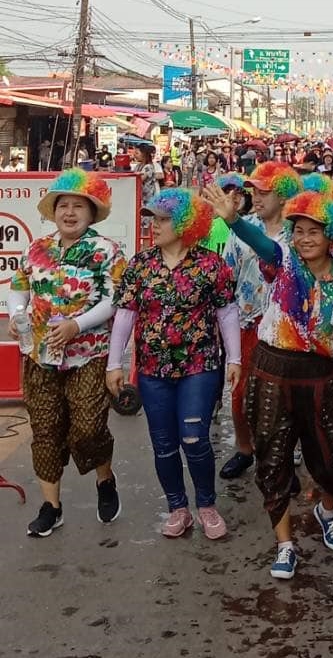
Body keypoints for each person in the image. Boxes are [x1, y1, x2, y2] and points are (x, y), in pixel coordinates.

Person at [203, 185, 333, 579]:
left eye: (314, 231)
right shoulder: (283, 260)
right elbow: (260, 242)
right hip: (273, 372)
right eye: (299, 230)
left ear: (331, 236)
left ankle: (326, 512)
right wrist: (233, 220)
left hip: (321, 377)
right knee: (273, 459)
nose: (305, 238)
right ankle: (284, 544)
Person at [107, 188, 240, 540]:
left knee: (194, 439)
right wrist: (113, 364)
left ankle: (206, 505)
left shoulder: (211, 264)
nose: (154, 226)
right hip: (153, 371)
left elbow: (227, 312)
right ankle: (177, 508)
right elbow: (125, 315)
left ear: (185, 224)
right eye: (152, 219)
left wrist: (235, 358)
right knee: (164, 444)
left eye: (163, 220)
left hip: (200, 366)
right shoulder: (140, 265)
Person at [8, 169, 125, 537]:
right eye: (63, 206)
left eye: (78, 206)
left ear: (92, 213)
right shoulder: (37, 248)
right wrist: (17, 314)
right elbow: (19, 287)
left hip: (89, 354)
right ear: (53, 211)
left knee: (88, 428)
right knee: (44, 430)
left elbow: (115, 299)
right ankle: (51, 507)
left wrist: (77, 325)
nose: (70, 212)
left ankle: (105, 479)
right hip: (39, 354)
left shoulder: (106, 250)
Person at [219, 163, 303, 480]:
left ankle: (284, 452)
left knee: (284, 396)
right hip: (246, 322)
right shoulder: (241, 228)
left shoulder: (297, 233)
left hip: (285, 327)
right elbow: (227, 274)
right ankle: (244, 449)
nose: (256, 197)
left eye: (264, 191)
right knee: (240, 394)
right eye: (253, 190)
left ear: (282, 196)